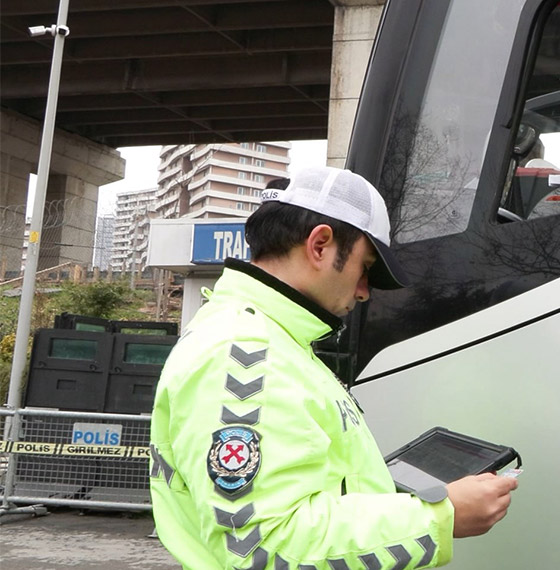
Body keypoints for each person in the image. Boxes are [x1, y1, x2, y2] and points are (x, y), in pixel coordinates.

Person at [149, 166, 518, 569]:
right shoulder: (245, 356)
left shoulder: (272, 343)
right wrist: (439, 517)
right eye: (366, 268)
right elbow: (263, 547)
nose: (364, 292)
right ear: (321, 244)